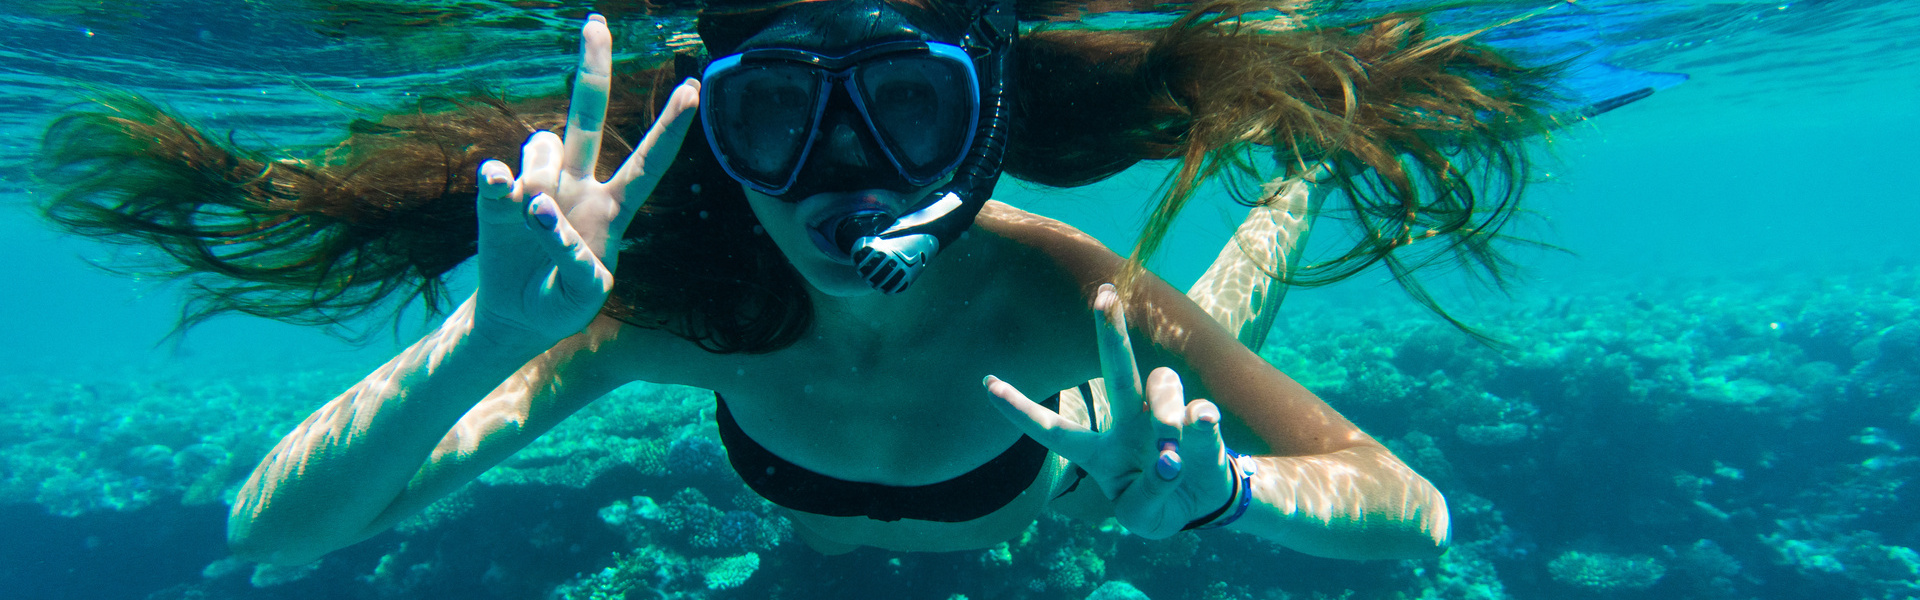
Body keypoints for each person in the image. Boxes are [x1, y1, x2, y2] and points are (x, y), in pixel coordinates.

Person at [41, 0, 1567, 566]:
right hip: (830, 556)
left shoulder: (1065, 294)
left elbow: (1408, 506)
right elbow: (273, 532)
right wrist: (484, 340)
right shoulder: (671, 311)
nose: (852, 178)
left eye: (905, 107)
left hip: (1052, 505)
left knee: (1198, 342)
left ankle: (1292, 175)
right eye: (782, 114)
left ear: (985, 124)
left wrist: (1232, 499)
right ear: (720, 133)